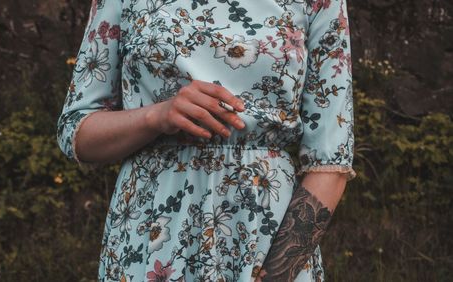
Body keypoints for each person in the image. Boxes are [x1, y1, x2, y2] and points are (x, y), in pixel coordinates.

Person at [56, 0, 357, 281]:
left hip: (263, 230)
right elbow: (76, 132)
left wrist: (278, 273)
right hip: (151, 228)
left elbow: (331, 158)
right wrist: (157, 116)